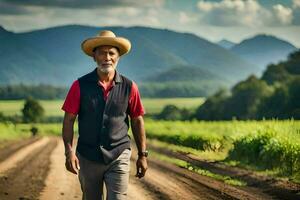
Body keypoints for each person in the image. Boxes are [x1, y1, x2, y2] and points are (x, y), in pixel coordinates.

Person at [62, 30, 148, 200]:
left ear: (118, 57)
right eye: (102, 53)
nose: (107, 57)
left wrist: (142, 155)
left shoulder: (130, 86)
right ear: (94, 57)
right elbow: (69, 120)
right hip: (88, 156)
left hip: (119, 153)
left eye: (111, 53)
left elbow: (137, 120)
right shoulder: (79, 85)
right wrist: (69, 152)